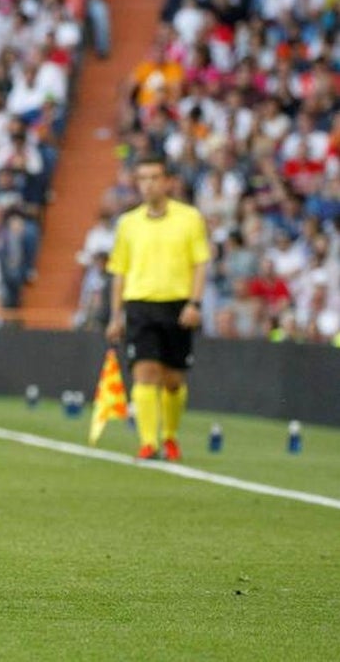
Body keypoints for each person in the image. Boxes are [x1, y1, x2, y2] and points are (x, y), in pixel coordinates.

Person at [105, 153, 210, 461]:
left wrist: (195, 302)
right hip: (140, 304)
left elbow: (200, 263)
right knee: (145, 372)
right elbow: (118, 272)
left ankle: (170, 436)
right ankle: (148, 442)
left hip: (177, 305)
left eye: (154, 178)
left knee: (174, 381)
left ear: (167, 182)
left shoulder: (189, 218)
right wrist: (115, 315)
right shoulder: (128, 223)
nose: (148, 185)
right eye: (142, 178)